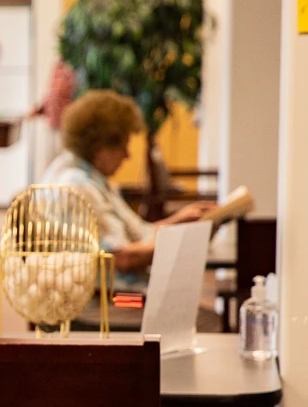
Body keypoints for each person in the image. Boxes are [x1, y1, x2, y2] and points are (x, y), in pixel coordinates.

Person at [41, 89, 214, 291]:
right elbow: (121, 258)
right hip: (108, 302)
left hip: (114, 294)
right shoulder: (78, 187)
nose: (127, 155)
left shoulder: (87, 176)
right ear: (100, 146)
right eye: (122, 146)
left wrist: (181, 221)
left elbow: (138, 235)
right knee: (198, 312)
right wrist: (185, 240)